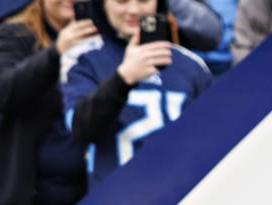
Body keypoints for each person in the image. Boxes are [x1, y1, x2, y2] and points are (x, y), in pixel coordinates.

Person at [0, 0, 91, 205]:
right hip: (5, 199)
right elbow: (4, 92)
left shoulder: (105, 42)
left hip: (74, 201)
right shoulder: (12, 35)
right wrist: (56, 53)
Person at [62, 0, 211, 186]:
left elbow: (212, 137)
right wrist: (124, 79)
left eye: (143, 0)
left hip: (182, 194)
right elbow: (80, 128)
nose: (133, 10)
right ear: (102, 5)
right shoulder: (83, 60)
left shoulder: (191, 65)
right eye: (121, 1)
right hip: (116, 200)